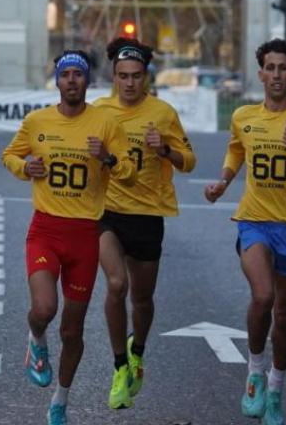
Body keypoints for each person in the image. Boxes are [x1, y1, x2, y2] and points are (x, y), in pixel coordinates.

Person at [203, 38, 286, 425]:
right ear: (260, 73)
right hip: (254, 220)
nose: (277, 75)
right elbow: (236, 149)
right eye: (270, 68)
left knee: (284, 313)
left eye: (283, 69)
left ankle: (276, 389)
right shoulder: (244, 115)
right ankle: (255, 372)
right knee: (262, 296)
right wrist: (224, 181)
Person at [1, 51, 134, 425]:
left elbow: (129, 174)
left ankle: (60, 400)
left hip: (85, 236)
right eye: (65, 75)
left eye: (78, 74)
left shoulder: (106, 123)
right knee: (45, 309)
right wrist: (25, 166)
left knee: (72, 330)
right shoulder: (37, 121)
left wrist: (107, 158)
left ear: (87, 81)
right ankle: (36, 339)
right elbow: (9, 155)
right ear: (57, 81)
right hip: (45, 229)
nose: (72, 80)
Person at [90, 37, 195, 411]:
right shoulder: (99, 110)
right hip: (107, 213)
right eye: (122, 76)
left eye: (136, 76)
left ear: (146, 77)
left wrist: (164, 150)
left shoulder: (163, 113)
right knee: (116, 285)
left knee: (143, 298)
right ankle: (120, 367)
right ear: (113, 76)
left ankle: (138, 351)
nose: (129, 83)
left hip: (148, 215)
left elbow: (189, 161)